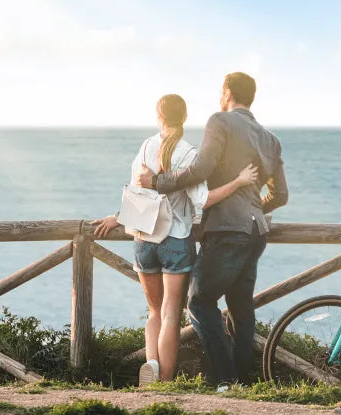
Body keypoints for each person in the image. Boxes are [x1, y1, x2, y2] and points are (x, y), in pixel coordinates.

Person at [92, 93, 258, 386]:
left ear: (159, 116)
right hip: (176, 239)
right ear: (184, 117)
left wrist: (116, 217)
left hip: (144, 239)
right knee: (170, 313)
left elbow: (137, 193)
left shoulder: (146, 147)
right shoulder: (189, 154)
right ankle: (164, 381)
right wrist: (239, 182)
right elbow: (203, 200)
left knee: (154, 312)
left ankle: (151, 366)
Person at [137, 72, 288, 390]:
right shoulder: (271, 140)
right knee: (241, 309)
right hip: (255, 232)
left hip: (226, 231)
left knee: (199, 302)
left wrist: (159, 182)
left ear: (227, 92)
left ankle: (225, 380)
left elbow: (201, 170)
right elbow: (280, 195)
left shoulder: (220, 121)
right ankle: (242, 382)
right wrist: (254, 209)